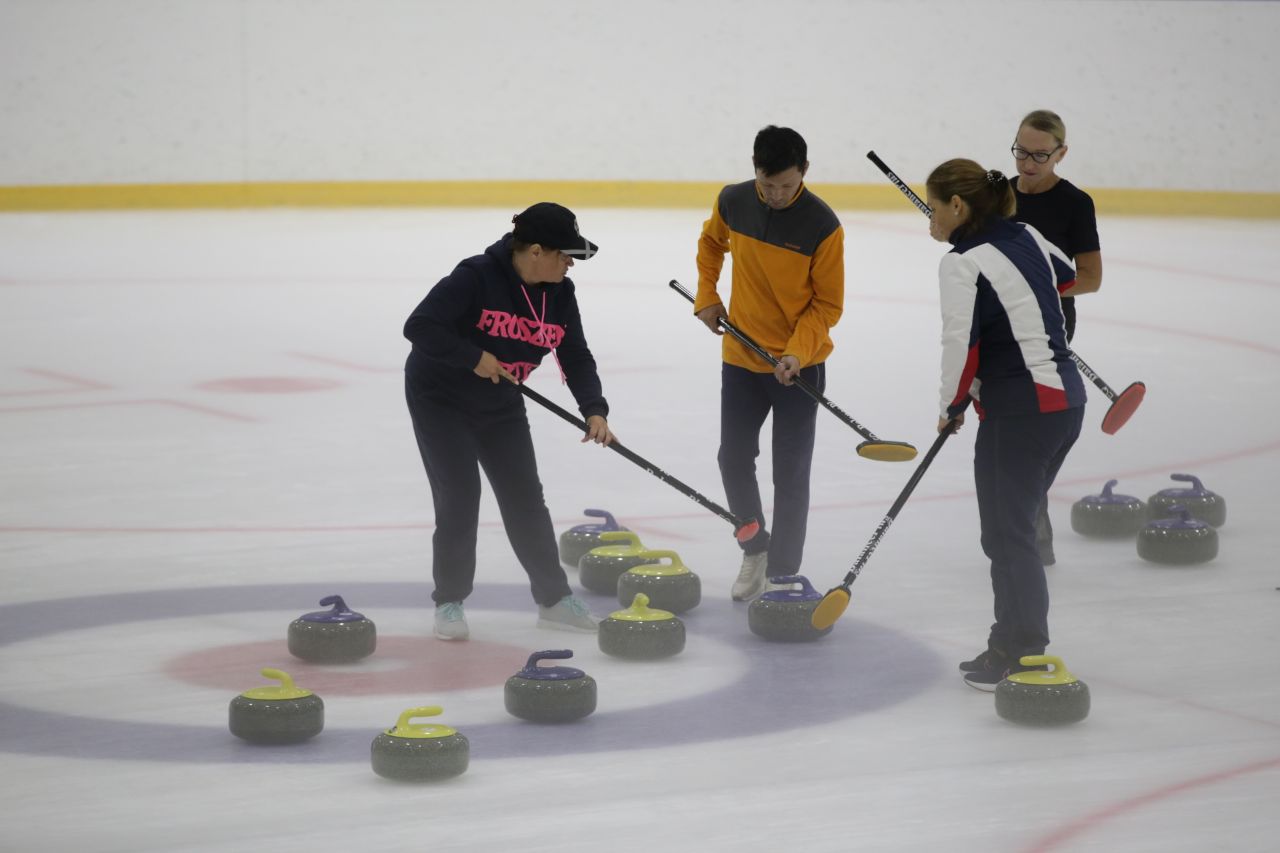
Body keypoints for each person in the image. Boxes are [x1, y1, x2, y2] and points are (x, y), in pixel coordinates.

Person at [403, 202, 613, 640]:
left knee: (525, 499)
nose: (570, 264)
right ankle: (450, 601)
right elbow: (419, 326)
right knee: (460, 495)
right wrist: (472, 356)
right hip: (440, 398)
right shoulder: (475, 276)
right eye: (565, 255)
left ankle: (554, 600)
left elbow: (573, 353)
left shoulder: (561, 293)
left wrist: (593, 408)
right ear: (536, 251)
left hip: (500, 399)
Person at [925, 158, 1086, 690]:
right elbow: (1067, 276)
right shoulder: (1028, 234)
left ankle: (1024, 652)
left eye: (933, 206)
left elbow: (959, 343)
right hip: (1065, 406)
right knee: (1008, 533)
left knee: (1008, 536)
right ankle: (1007, 642)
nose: (928, 216)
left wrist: (951, 406)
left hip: (1022, 414)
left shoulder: (960, 264)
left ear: (957, 206)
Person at [692, 125, 844, 601]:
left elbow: (828, 305)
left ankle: (782, 572)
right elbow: (710, 244)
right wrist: (706, 295)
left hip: (800, 368)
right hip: (740, 358)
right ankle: (754, 546)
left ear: (805, 173)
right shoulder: (733, 201)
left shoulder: (823, 226)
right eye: (767, 184)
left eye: (787, 184)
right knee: (732, 458)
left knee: (790, 473)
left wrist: (797, 351)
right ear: (754, 170)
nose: (776, 194)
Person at [1009, 109, 1102, 566]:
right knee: (1006, 427)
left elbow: (1091, 278)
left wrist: (1041, 284)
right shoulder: (999, 194)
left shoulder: (1074, 204)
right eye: (1021, 151)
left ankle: (1029, 517)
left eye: (1040, 155)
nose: (1028, 163)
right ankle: (1021, 516)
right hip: (997, 325)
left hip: (1050, 328)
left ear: (1061, 153)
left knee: (1037, 427)